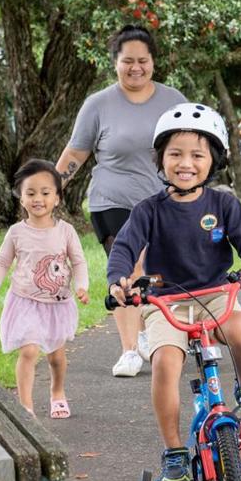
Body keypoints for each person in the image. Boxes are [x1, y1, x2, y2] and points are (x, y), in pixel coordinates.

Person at [107, 103, 241, 481]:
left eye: (197, 155)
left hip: (217, 294)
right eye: (175, 154)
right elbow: (124, 247)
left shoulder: (223, 204)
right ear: (161, 160)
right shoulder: (149, 210)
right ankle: (174, 453)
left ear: (212, 161)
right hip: (166, 302)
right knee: (166, 364)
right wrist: (119, 280)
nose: (186, 163)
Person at [55, 24, 187, 378]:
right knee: (129, 270)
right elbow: (77, 153)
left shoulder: (174, 101)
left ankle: (146, 332)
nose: (136, 68)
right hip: (111, 200)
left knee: (155, 273)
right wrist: (52, 187)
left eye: (142, 61)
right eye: (127, 61)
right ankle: (130, 350)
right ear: (115, 62)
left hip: (161, 201)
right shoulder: (98, 105)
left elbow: (192, 149)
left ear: (153, 62)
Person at [0, 159, 89, 419]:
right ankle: (25, 407)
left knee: (56, 357)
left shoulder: (66, 231)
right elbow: (2, 262)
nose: (38, 198)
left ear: (58, 198)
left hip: (57, 303)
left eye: (45, 193)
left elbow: (79, 261)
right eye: (31, 193)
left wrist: (82, 286)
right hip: (24, 300)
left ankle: (57, 391)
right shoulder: (16, 232)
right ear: (21, 199)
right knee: (28, 350)